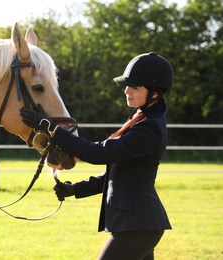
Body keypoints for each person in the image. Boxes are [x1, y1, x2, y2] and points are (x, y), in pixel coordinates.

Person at [20, 52, 173, 259]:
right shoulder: (141, 117)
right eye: (127, 85)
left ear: (154, 93)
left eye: (135, 87)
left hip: (138, 225)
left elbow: (97, 153)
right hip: (139, 224)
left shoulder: (149, 128)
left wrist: (49, 127)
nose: (126, 91)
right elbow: (119, 175)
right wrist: (76, 188)